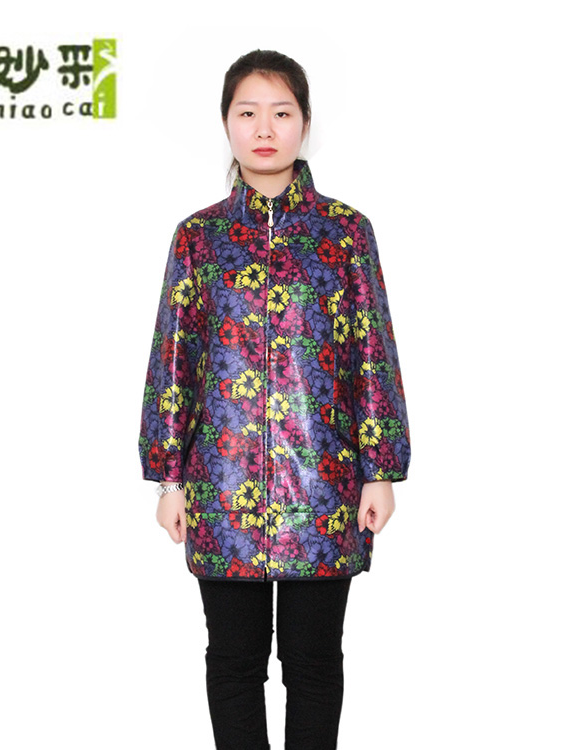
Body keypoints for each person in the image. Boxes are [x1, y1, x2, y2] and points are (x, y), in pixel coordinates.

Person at [138, 49, 411, 750]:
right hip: (220, 484)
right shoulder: (198, 239)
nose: (265, 128)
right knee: (233, 660)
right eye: (248, 112)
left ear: (305, 123)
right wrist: (168, 477)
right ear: (226, 123)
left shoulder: (345, 233)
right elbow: (175, 359)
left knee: (314, 661)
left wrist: (381, 469)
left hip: (324, 482)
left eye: (282, 112)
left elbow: (371, 350)